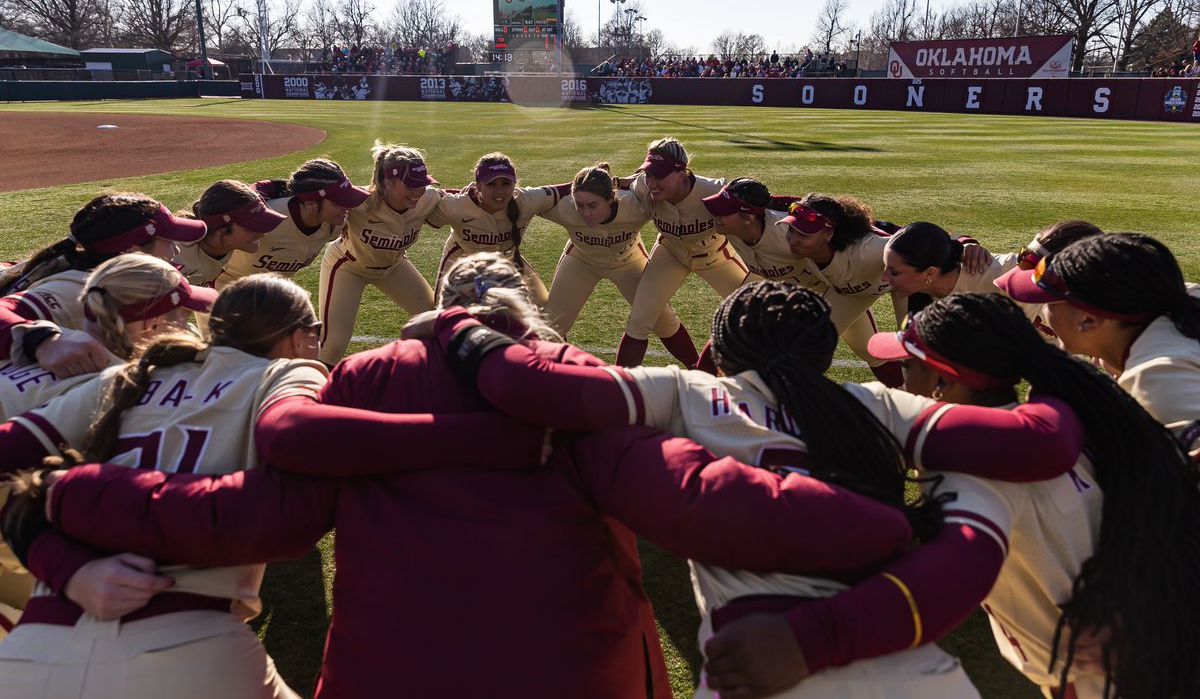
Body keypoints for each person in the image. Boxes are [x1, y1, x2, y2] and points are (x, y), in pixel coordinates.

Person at [21, 254, 925, 699]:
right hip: (573, 662)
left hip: (388, 665)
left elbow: (287, 495)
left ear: (440, 310)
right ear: (522, 308)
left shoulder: (355, 381)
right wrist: (879, 534)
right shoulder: (570, 382)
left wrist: (61, 506)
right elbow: (677, 497)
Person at [417, 281, 1098, 696]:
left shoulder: (690, 391)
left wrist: (458, 326)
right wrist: (1054, 375)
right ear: (824, 351)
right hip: (917, 675)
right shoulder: (874, 403)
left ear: (722, 348)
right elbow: (1042, 441)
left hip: (764, 669)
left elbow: (530, 388)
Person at [729, 293, 1200, 699]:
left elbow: (950, 571)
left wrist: (808, 639)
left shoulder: (976, 472)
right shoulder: (1070, 415)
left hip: (1111, 680)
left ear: (942, 383)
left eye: (907, 367)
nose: (896, 379)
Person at [0, 252, 218, 637]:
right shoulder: (103, 384)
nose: (187, 325)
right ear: (152, 323)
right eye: (181, 314)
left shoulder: (51, 340)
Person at [997, 232, 1200, 445]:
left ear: (1088, 319)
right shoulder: (1179, 306)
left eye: (1049, 302)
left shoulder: (1156, 377)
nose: (1044, 310)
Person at [702, 181, 901, 385]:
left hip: (876, 287)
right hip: (824, 291)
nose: (793, 240)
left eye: (803, 234)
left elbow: (908, 242)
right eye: (792, 231)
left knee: (909, 349)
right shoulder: (781, 239)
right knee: (743, 330)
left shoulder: (861, 250)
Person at [0, 193, 207, 379]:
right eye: (168, 241)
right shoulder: (75, 287)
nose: (177, 250)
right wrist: (43, 341)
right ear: (133, 251)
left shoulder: (107, 278)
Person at [538, 162, 698, 365]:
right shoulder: (564, 207)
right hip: (581, 261)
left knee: (663, 321)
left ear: (612, 198)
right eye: (580, 205)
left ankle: (699, 370)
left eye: (593, 205)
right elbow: (525, 201)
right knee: (551, 326)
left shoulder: (635, 205)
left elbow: (674, 195)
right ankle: (558, 379)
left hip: (628, 262)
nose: (585, 213)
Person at [615, 137, 748, 366]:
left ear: (682, 173)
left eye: (659, 176)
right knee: (639, 321)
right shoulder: (644, 185)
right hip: (671, 253)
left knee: (752, 312)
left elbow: (759, 207)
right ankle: (619, 390)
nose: (652, 182)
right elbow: (630, 183)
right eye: (649, 174)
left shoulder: (714, 190)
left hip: (714, 256)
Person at [317, 142, 441, 365]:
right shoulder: (360, 202)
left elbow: (462, 203)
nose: (418, 191)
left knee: (437, 319)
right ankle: (314, 394)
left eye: (422, 183)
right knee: (333, 344)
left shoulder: (429, 199)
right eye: (411, 185)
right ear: (388, 182)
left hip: (393, 267)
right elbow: (317, 203)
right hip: (348, 267)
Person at [425, 152, 569, 306]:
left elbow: (569, 188)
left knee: (543, 305)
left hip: (507, 258)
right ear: (478, 185)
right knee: (445, 311)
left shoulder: (528, 199)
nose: (499, 190)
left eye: (506, 183)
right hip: (461, 259)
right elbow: (421, 207)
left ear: (515, 184)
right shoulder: (456, 206)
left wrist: (595, 174)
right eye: (491, 184)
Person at [214, 159, 368, 290]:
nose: (347, 207)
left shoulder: (334, 224)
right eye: (339, 202)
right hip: (227, 286)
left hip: (273, 289)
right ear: (311, 203)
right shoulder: (268, 216)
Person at [882, 220, 1013, 313]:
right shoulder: (922, 298)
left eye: (894, 272)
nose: (884, 278)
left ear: (930, 273)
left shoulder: (1005, 274)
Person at [175, 180, 287, 288]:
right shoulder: (174, 254)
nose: (262, 234)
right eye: (251, 227)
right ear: (220, 228)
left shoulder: (221, 245)